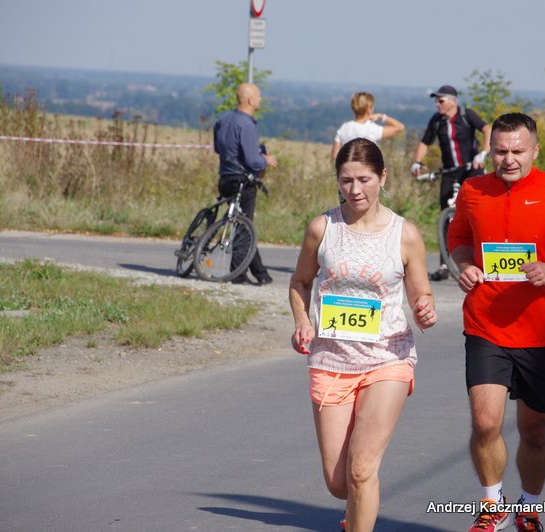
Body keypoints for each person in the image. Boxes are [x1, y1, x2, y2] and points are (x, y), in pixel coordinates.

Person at [447, 113, 545, 532]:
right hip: (485, 326)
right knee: (485, 424)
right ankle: (491, 503)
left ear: (535, 150)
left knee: (534, 431)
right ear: (490, 150)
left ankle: (528, 507)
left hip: (540, 332)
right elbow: (458, 239)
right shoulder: (474, 190)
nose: (509, 159)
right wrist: (465, 265)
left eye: (517, 151)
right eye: (500, 151)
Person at [289, 137, 436, 532]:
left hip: (388, 358)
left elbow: (420, 293)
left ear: (382, 177)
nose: (355, 190)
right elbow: (300, 282)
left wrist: (424, 308)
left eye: (364, 179)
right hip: (331, 359)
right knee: (339, 483)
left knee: (361, 469)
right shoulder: (323, 228)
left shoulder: (404, 234)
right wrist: (302, 321)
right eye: (346, 180)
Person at [409, 84, 492, 281]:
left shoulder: (466, 115)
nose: (437, 104)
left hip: (471, 168)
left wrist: (483, 153)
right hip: (449, 171)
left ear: (453, 101)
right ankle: (444, 264)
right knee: (445, 216)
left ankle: (482, 258)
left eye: (440, 100)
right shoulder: (437, 121)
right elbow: (425, 142)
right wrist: (416, 162)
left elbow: (487, 128)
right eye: (436, 101)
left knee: (476, 212)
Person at [213, 82, 278, 285]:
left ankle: (260, 273)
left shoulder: (223, 120)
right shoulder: (247, 125)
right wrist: (266, 160)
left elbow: (217, 149)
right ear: (250, 100)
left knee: (241, 223)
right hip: (242, 181)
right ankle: (238, 273)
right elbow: (252, 160)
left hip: (225, 178)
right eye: (258, 96)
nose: (260, 100)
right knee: (244, 227)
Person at [330, 92, 405, 159]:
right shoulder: (372, 128)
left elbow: (334, 155)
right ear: (369, 109)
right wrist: (381, 116)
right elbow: (400, 127)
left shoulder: (344, 128)